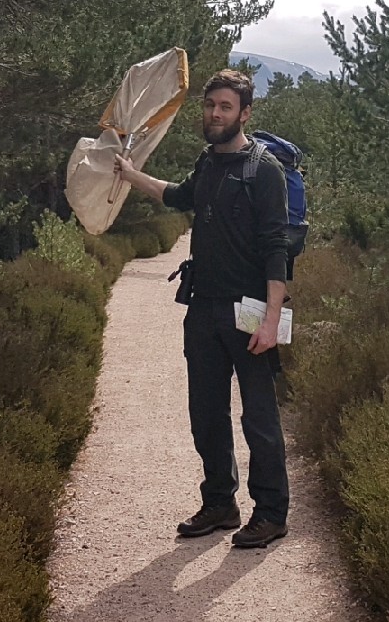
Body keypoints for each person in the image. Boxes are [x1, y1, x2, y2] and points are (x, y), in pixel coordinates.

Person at [114, 68, 290, 549]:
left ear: (245, 113)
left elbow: (277, 249)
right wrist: (129, 174)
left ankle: (271, 514)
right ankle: (219, 504)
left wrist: (272, 320)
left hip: (251, 310)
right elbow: (176, 196)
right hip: (204, 309)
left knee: (259, 418)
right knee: (206, 413)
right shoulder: (208, 162)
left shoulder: (264, 171)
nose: (215, 113)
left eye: (225, 107)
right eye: (210, 105)